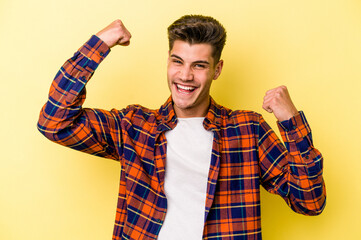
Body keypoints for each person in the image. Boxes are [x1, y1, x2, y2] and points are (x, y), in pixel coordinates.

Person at [37, 15, 326, 240]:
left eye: (199, 65)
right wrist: (99, 43)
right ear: (168, 61)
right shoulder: (134, 127)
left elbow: (310, 201)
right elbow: (55, 122)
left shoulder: (247, 130)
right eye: (178, 62)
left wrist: (291, 123)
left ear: (217, 69)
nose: (185, 75)